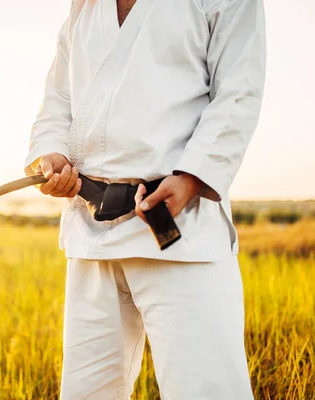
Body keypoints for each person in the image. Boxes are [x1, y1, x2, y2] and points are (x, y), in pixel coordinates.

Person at [24, 0, 266, 399]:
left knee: (206, 390)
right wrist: (50, 155)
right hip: (92, 228)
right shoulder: (84, 6)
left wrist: (191, 178)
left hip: (177, 230)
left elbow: (239, 91)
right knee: (87, 393)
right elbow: (58, 102)